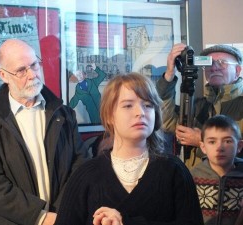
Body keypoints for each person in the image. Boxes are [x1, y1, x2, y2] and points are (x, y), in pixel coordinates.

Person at [54, 73, 203, 225]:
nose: (140, 113)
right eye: (128, 105)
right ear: (110, 115)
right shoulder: (84, 176)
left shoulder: (174, 170)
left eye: (148, 105)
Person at [0, 39, 90, 225]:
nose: (32, 74)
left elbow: (80, 166)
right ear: (3, 75)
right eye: (21, 70)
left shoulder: (65, 115)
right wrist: (40, 217)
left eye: (34, 65)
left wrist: (60, 213)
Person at [156, 43, 243, 168]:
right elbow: (167, 122)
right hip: (196, 182)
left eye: (222, 62)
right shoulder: (197, 105)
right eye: (209, 64)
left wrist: (203, 140)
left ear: (237, 71)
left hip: (234, 185)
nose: (214, 68)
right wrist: (169, 74)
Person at [190, 115, 243, 225]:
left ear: (239, 146)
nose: (219, 148)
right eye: (212, 142)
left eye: (228, 141)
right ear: (203, 147)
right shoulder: (192, 176)